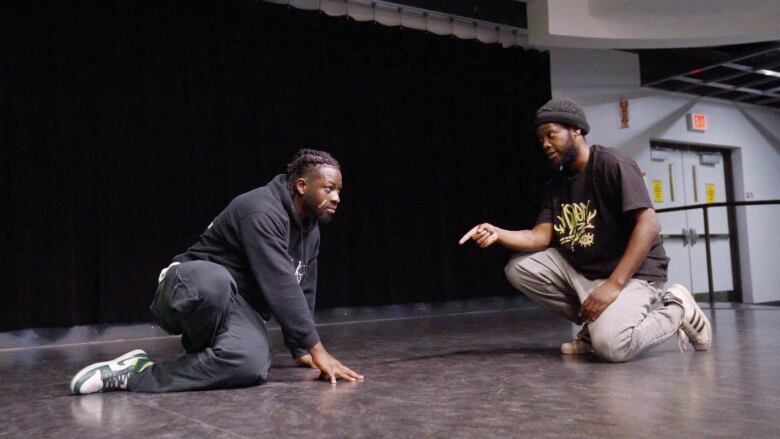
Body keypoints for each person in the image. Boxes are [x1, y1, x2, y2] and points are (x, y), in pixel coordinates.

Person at [71, 149, 363, 394]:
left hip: (235, 306)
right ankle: (200, 342)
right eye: (329, 188)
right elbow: (281, 283)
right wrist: (319, 349)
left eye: (339, 190)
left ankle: (135, 373)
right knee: (217, 281)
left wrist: (302, 349)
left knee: (251, 363)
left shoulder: (310, 232)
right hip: (187, 288)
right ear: (301, 185)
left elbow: (303, 287)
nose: (337, 197)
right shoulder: (261, 210)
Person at [459, 98, 712, 362]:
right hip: (588, 272)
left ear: (576, 129)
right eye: (540, 139)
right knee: (519, 268)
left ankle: (676, 311)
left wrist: (614, 285)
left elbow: (649, 225)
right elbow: (539, 237)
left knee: (612, 347)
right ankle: (596, 325)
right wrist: (498, 232)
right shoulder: (555, 185)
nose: (545, 144)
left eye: (551, 135)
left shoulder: (612, 164)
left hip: (634, 274)